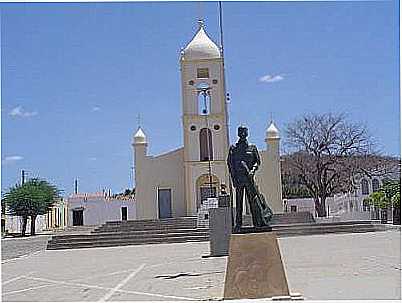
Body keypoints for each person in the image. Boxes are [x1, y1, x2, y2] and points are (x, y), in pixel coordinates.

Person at [227, 125, 271, 231]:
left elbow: (257, 161)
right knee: (239, 203)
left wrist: (253, 170)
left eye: (244, 132)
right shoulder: (233, 149)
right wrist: (234, 179)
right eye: (240, 132)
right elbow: (230, 164)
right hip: (239, 180)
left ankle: (257, 222)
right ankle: (238, 224)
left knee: (253, 201)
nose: (242, 134)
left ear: (247, 133)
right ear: (238, 133)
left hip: (249, 180)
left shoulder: (252, 147)